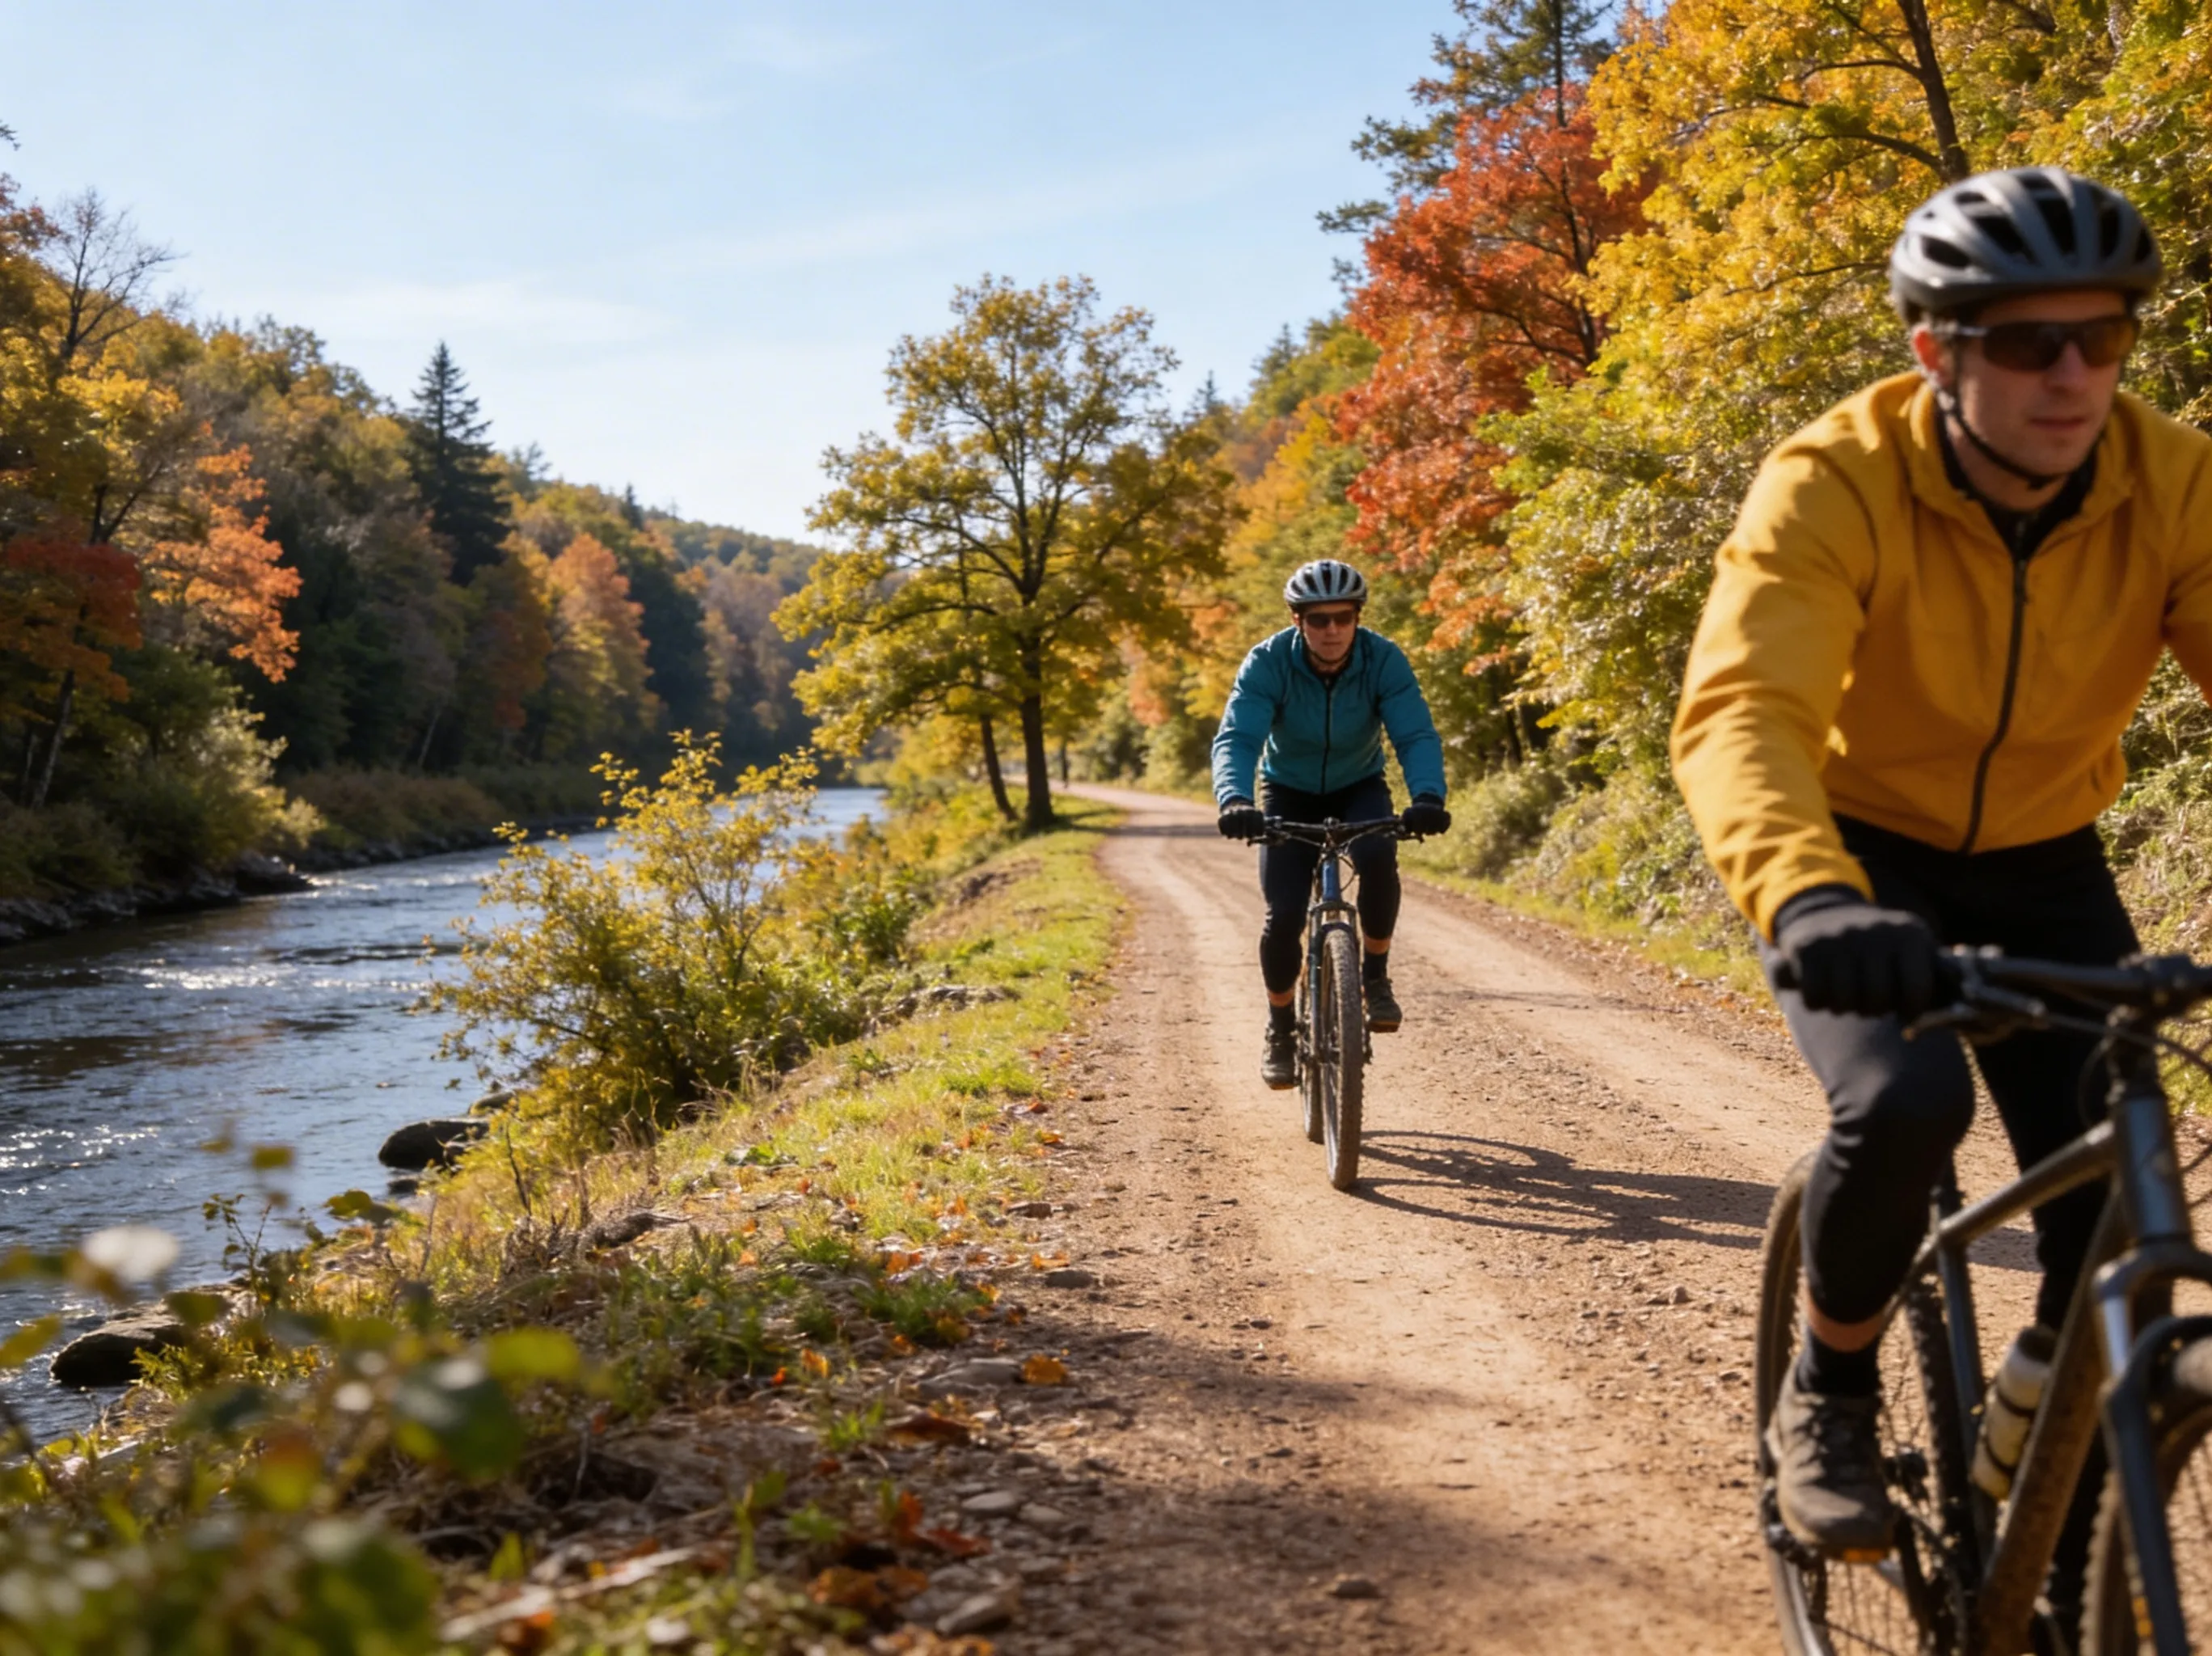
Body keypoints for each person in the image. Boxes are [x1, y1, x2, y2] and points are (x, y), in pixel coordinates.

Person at [1671, 166, 2212, 1575]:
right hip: (1860, 864)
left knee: (2112, 1204)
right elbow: (1747, 713)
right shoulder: (1834, 478)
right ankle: (1832, 1392)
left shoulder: (2174, 481)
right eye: (2030, 343)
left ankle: (2035, 1429)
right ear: (1937, 352)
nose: (2074, 375)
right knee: (1906, 1097)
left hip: (2049, 858)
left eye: (2104, 338)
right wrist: (1809, 895)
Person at [1212, 559, 1451, 1089]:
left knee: (1377, 857)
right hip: (1287, 789)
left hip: (1358, 783)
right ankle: (1280, 1030)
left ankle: (1374, 976)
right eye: (1318, 619)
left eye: (1343, 617)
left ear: (1357, 616)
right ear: (1298, 620)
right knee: (1285, 913)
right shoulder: (1267, 662)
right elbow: (1239, 738)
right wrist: (1233, 799)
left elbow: (1414, 734)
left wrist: (1428, 796)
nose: (1332, 630)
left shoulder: (1382, 659)